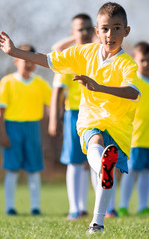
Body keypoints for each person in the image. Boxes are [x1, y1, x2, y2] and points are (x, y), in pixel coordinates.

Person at [0, 2, 140, 234]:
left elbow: (133, 93)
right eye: (105, 29)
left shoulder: (127, 64)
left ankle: (97, 222)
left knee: (104, 171)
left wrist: (99, 87)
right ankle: (102, 169)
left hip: (119, 125)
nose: (110, 34)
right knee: (96, 146)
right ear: (97, 31)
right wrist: (14, 52)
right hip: (90, 120)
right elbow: (50, 61)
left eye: (117, 28)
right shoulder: (84, 52)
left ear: (126, 31)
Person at [0, 44, 52, 216]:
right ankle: (10, 207)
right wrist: (2, 133)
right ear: (15, 60)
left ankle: (35, 207)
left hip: (33, 128)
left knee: (34, 169)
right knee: (12, 169)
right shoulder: (7, 82)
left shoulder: (41, 83)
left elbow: (52, 104)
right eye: (24, 58)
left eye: (30, 59)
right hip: (12, 128)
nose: (28, 63)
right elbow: (0, 110)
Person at [48, 13, 94, 221]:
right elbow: (57, 89)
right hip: (74, 113)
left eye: (87, 28)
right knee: (75, 161)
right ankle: (75, 208)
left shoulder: (99, 53)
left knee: (94, 160)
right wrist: (53, 118)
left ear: (94, 30)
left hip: (96, 114)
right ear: (72, 33)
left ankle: (100, 207)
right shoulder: (68, 56)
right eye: (79, 29)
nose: (83, 32)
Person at [118, 41, 149, 216]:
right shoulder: (132, 81)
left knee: (147, 172)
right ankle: (123, 205)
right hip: (135, 136)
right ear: (135, 59)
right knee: (131, 171)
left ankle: (142, 206)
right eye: (143, 60)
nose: (147, 64)